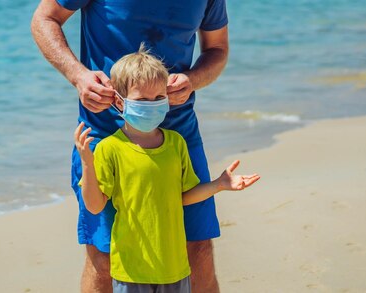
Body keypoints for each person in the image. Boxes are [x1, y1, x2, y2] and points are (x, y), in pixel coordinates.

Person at [30, 0, 230, 291]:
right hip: (105, 132)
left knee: (197, 249)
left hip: (179, 134)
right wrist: (79, 76)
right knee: (105, 257)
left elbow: (217, 49)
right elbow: (44, 19)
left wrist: (193, 79)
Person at [74, 46, 258, 293]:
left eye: (158, 98)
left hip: (174, 267)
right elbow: (95, 206)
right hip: (131, 269)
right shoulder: (110, 148)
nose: (151, 105)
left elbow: (182, 197)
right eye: (141, 100)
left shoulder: (175, 143)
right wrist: (87, 162)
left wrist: (219, 184)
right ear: (120, 101)